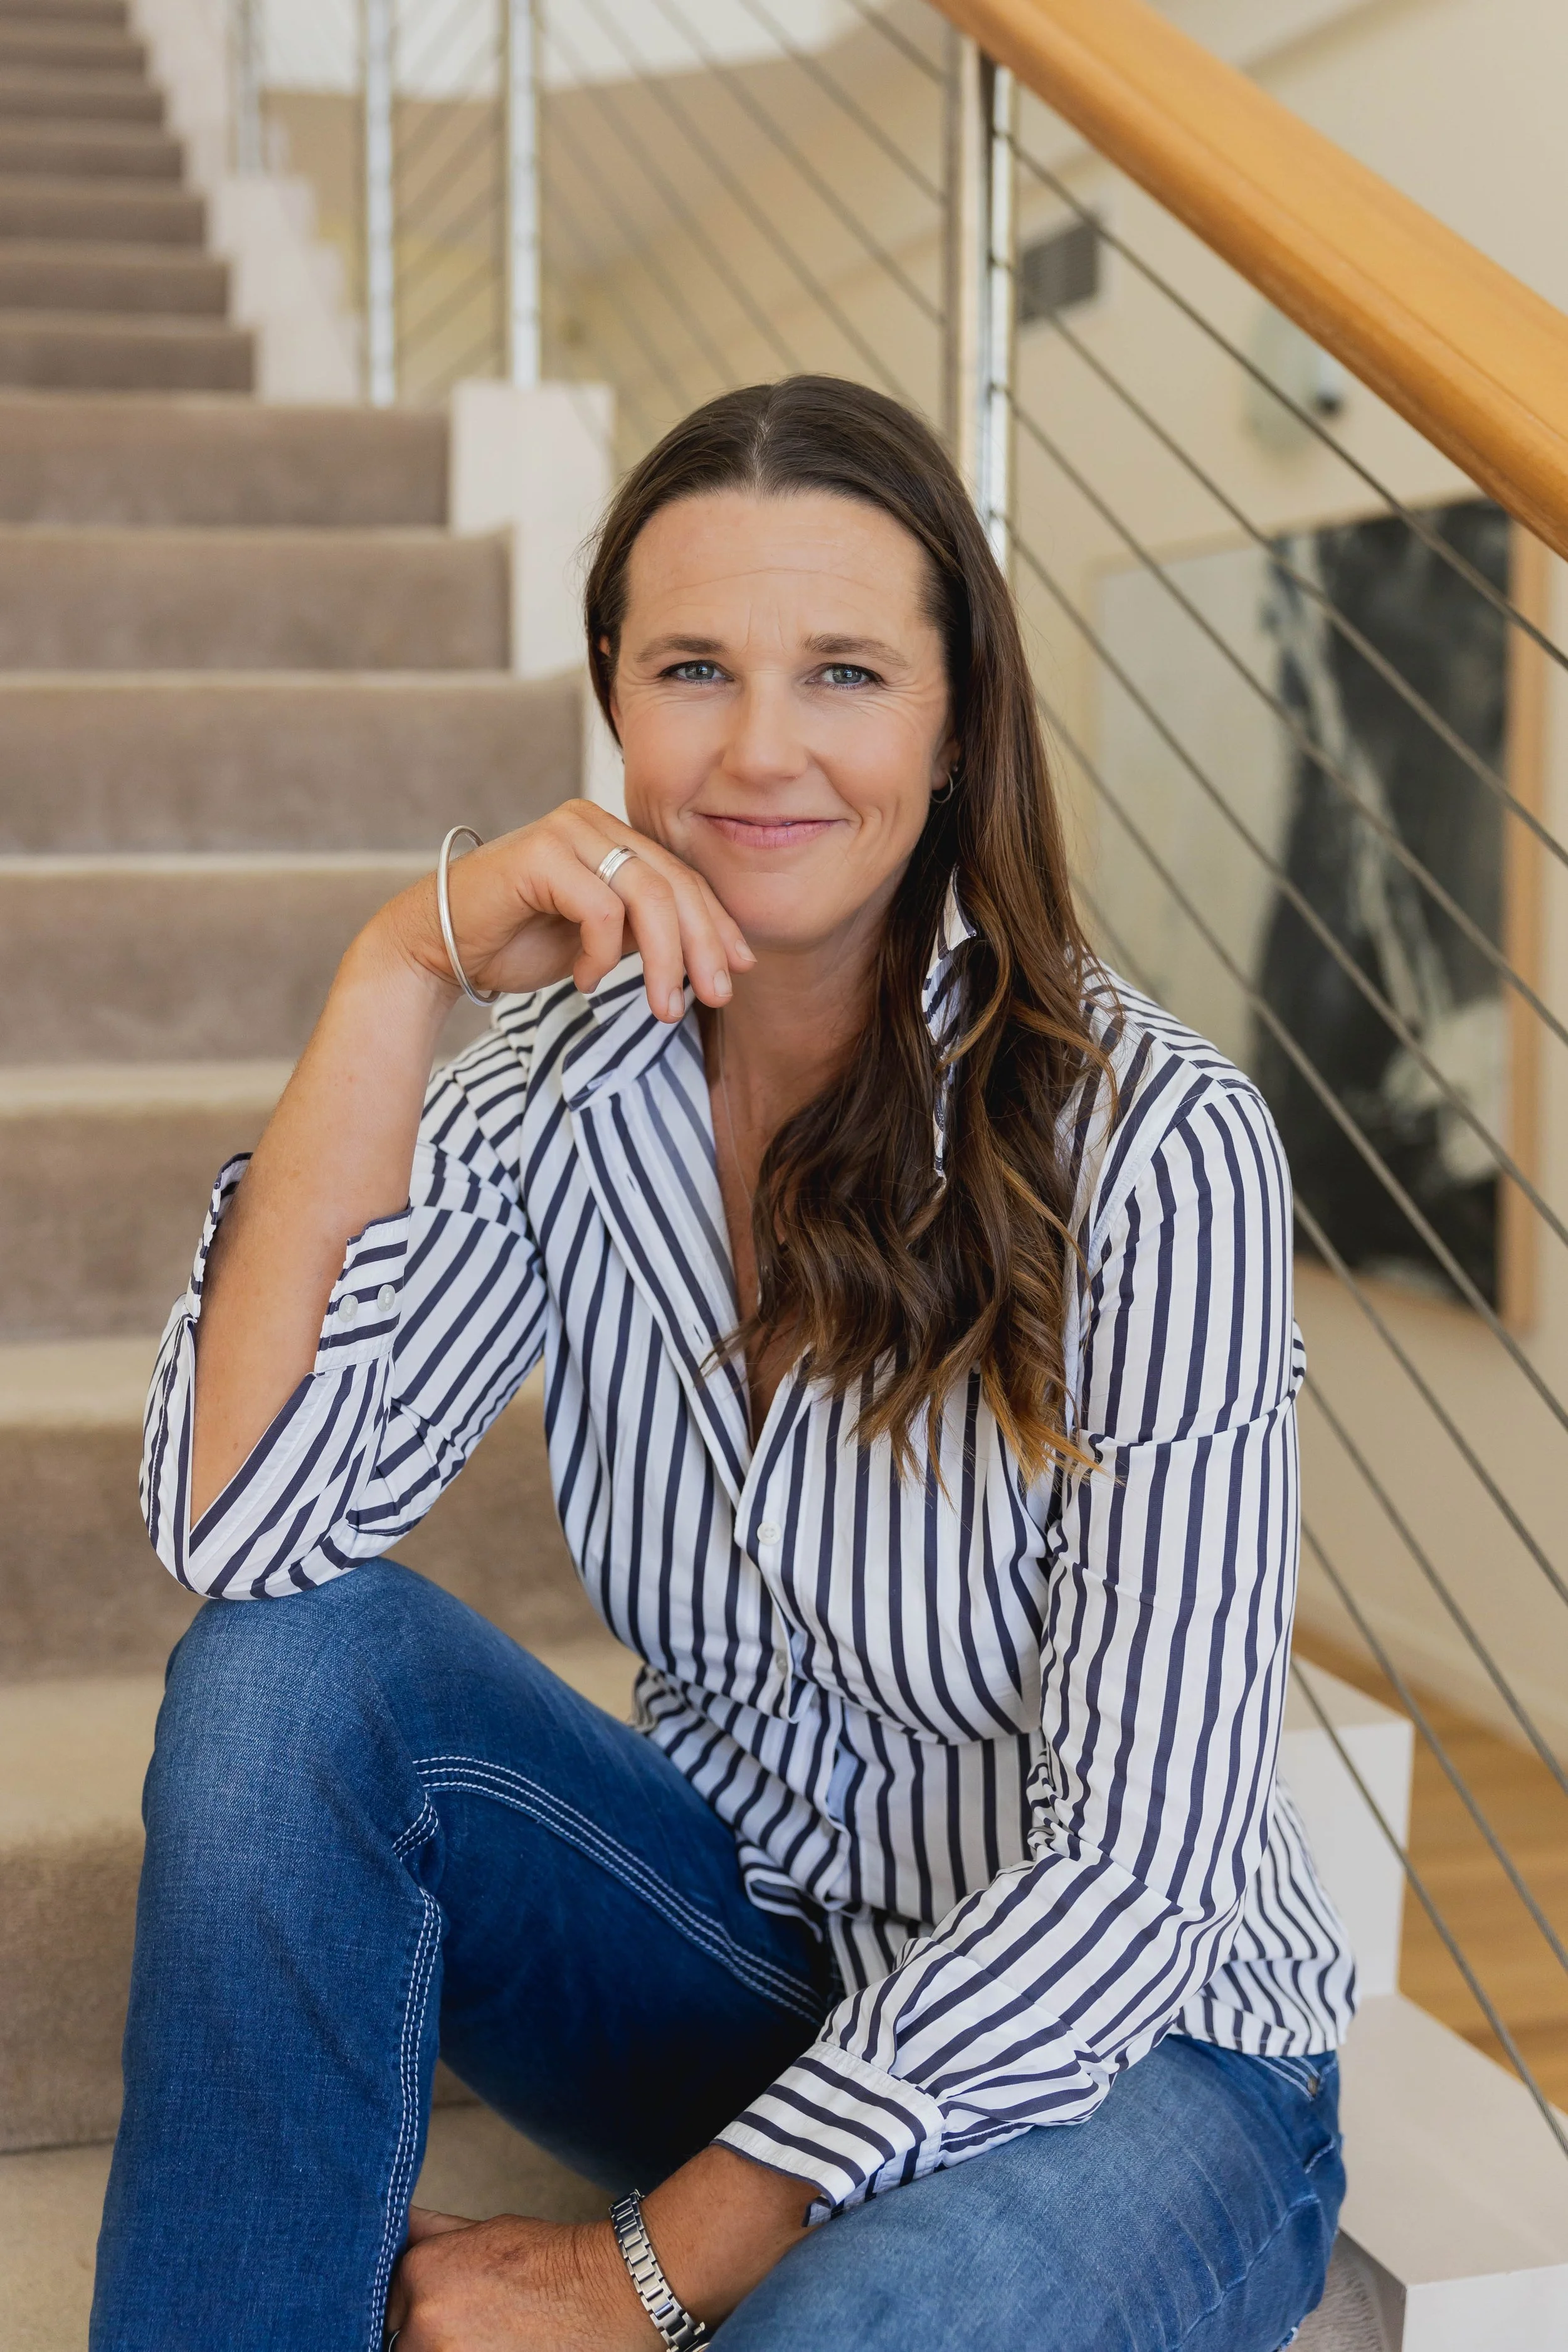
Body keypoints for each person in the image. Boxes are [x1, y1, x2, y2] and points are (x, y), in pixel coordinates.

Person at [92, 376, 1353, 2352]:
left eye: (845, 671)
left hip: (1140, 2063)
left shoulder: (1151, 1145)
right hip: (751, 1978)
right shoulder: (557, 1097)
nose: (760, 749)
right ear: (614, 698)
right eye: (695, 667)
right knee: (288, 1670)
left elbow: (1131, 1879)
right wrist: (394, 967)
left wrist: (633, 2268)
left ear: (951, 729)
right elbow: (243, 1524)